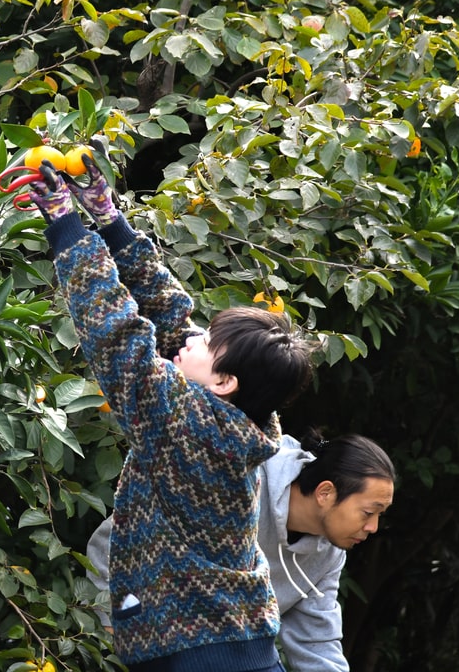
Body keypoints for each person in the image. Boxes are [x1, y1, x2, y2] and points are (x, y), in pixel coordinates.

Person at [27, 157, 313, 672]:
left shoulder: (184, 420)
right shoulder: (237, 420)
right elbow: (168, 320)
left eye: (208, 341)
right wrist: (110, 220)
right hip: (236, 642)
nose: (192, 337)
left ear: (224, 381)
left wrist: (67, 226)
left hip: (197, 655)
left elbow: (117, 337)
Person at [86, 432, 397, 672]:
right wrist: (114, 618)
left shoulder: (328, 553)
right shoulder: (236, 480)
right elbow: (113, 540)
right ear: (325, 492)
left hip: (240, 651)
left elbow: (316, 641)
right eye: (369, 512)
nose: (373, 527)